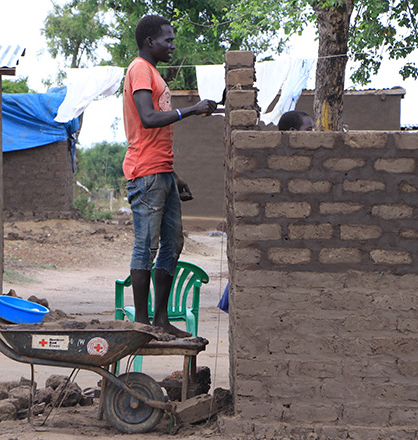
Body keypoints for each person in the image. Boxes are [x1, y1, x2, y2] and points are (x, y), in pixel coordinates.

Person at [123, 15, 217, 337]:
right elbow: (148, 119)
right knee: (146, 246)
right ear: (150, 42)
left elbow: (153, 132)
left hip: (160, 172)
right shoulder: (139, 69)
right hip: (145, 173)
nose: (173, 45)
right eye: (168, 40)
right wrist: (192, 109)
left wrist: (172, 173)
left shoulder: (153, 74)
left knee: (172, 243)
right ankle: (141, 321)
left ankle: (160, 320)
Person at [217, 110, 314, 314]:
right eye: (309, 129)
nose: (313, 134)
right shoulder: (275, 159)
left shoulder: (305, 160)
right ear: (293, 131)